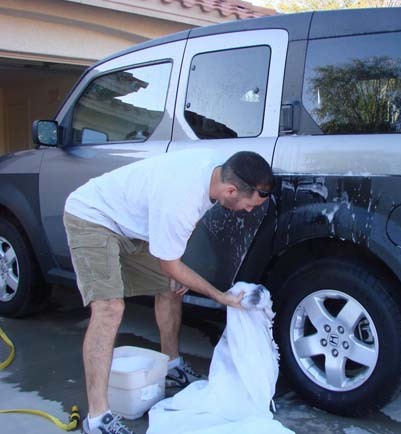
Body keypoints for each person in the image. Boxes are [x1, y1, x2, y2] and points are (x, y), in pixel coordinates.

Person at [63, 150, 275, 434]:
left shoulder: (215, 171)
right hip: (92, 217)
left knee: (170, 287)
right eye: (248, 205)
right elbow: (170, 262)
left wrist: (178, 269)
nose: (249, 211)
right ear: (231, 190)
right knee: (109, 308)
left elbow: (179, 247)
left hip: (133, 227)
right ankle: (98, 418)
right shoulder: (181, 197)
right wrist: (221, 296)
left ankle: (172, 365)